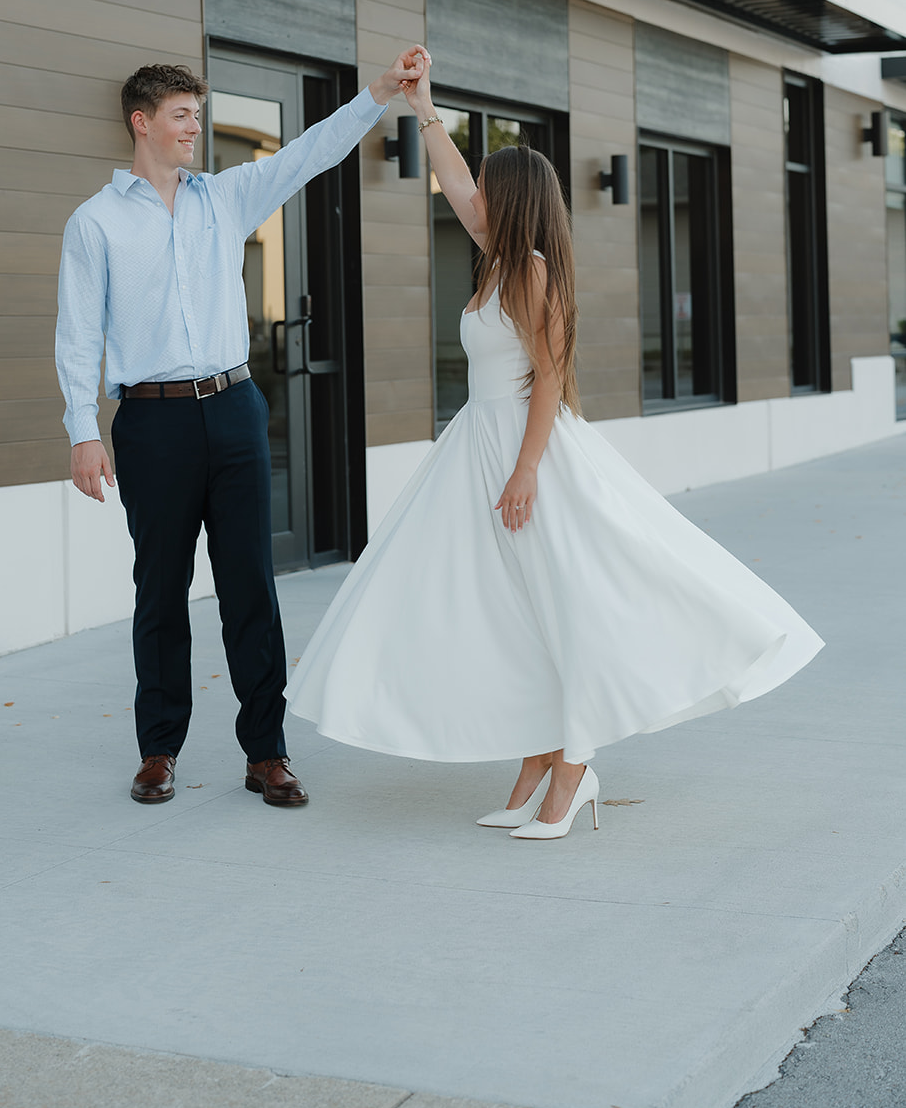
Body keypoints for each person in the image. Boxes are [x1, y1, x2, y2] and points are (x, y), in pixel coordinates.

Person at [286, 48, 824, 841]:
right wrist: (423, 105)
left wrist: (526, 469)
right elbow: (455, 183)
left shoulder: (530, 272)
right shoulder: (495, 259)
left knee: (566, 603)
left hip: (524, 453)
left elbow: (547, 377)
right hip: (477, 448)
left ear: (514, 202)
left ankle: (573, 765)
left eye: (488, 193)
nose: (474, 202)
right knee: (508, 610)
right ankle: (536, 758)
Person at [55, 48, 422, 808]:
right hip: (150, 422)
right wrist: (81, 428)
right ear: (142, 122)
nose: (195, 127)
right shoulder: (94, 223)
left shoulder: (222, 198)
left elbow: (308, 152)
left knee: (249, 585)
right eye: (182, 116)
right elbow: (77, 333)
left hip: (232, 409)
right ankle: (158, 750)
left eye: (197, 114)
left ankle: (267, 754)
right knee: (159, 590)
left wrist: (379, 94)